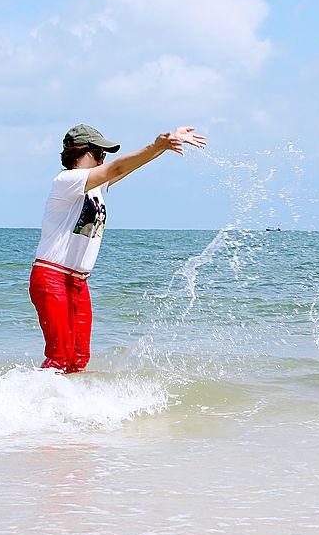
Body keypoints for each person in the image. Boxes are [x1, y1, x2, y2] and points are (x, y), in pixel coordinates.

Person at [30, 123, 206, 373]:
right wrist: (156, 145)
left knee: (79, 360)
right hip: (52, 277)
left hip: (79, 283)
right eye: (99, 154)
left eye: (105, 156)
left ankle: (70, 410)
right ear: (80, 153)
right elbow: (119, 166)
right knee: (59, 358)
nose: (104, 159)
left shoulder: (97, 186)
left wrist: (164, 147)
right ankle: (28, 403)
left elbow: (129, 166)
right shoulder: (66, 181)